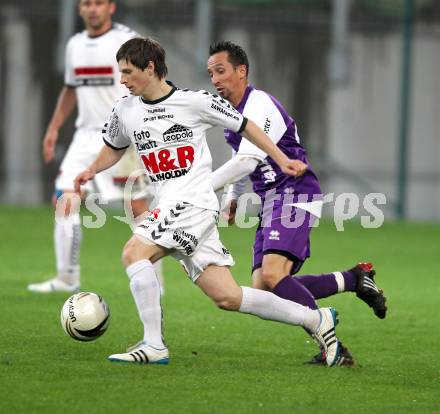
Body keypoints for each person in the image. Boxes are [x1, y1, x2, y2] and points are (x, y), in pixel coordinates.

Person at [74, 36, 346, 366]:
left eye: (129, 72)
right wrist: (90, 169)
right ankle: (317, 320)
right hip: (177, 207)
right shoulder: (125, 110)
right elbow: (114, 147)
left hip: (193, 205)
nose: (123, 80)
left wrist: (280, 158)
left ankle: (154, 344)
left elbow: (247, 126)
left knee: (134, 252)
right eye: (121, 72)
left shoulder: (195, 102)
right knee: (228, 296)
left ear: (150, 68)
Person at [207, 41, 387, 365]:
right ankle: (354, 279)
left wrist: (199, 189)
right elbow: (241, 157)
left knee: (274, 275)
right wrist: (231, 196)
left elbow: (247, 162)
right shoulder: (233, 116)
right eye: (211, 74)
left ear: (241, 71)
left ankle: (331, 344)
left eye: (221, 71)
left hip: (294, 190)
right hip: (272, 200)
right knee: (264, 287)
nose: (215, 79)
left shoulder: (258, 105)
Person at [28, 0, 164, 293]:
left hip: (122, 136)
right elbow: (71, 88)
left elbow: (151, 81)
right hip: (85, 136)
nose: (92, 9)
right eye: (87, 3)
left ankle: (154, 279)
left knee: (136, 206)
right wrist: (53, 128)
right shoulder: (74, 44)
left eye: (98, 3)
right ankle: (67, 277)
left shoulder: (126, 40)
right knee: (64, 199)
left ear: (111, 7)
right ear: (80, 9)